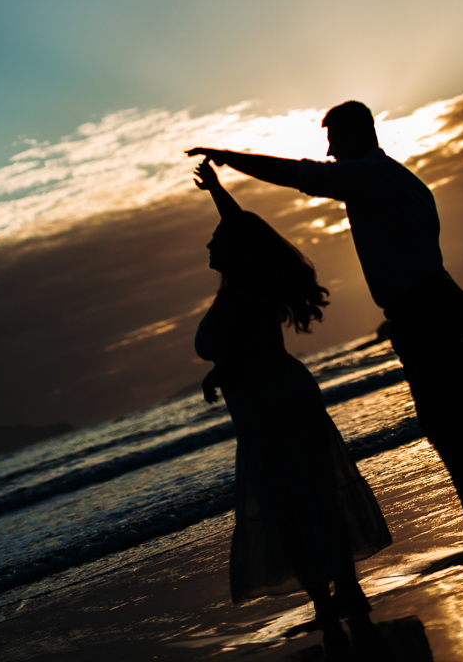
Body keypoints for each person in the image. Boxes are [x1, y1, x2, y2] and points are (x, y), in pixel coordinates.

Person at [188, 101, 463, 653]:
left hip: (425, 310)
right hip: (422, 309)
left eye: (334, 139)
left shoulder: (369, 176)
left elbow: (300, 176)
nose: (329, 151)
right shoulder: (385, 179)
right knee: (455, 428)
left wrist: (228, 158)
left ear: (356, 134)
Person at [192, 157, 391, 656]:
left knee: (293, 505)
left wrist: (219, 372)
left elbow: (248, 351)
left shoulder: (245, 291)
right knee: (309, 498)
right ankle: (339, 594)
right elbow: (241, 230)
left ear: (234, 250)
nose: (209, 245)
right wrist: (216, 190)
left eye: (216, 240)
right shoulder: (245, 285)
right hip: (277, 399)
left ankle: (330, 601)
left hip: (270, 405)